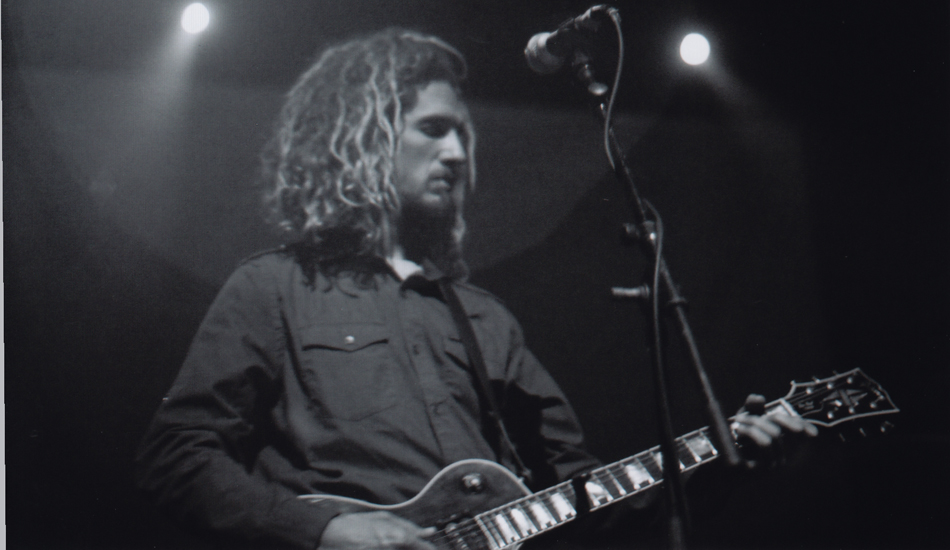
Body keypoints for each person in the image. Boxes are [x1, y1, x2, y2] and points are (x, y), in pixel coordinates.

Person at [136, 28, 816, 550]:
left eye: (463, 133)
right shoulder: (273, 287)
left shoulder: (486, 322)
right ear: (361, 139)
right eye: (433, 130)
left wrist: (722, 459)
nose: (459, 154)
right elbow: (177, 457)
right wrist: (323, 530)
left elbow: (583, 496)